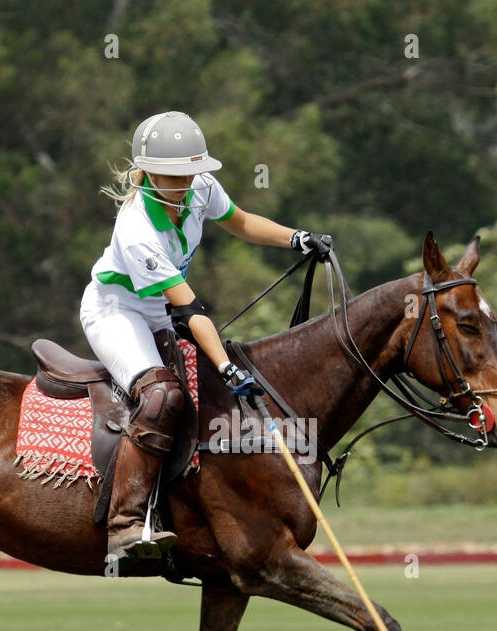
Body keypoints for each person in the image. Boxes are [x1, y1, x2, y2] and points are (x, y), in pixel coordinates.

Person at [84, 110, 331, 564]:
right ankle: (125, 523)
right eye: (172, 175)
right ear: (148, 173)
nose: (184, 183)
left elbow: (239, 221)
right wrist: (225, 364)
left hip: (160, 308)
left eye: (190, 173)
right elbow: (190, 308)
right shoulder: (137, 228)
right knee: (160, 397)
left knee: (211, 397)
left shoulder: (200, 188)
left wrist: (295, 238)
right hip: (116, 312)